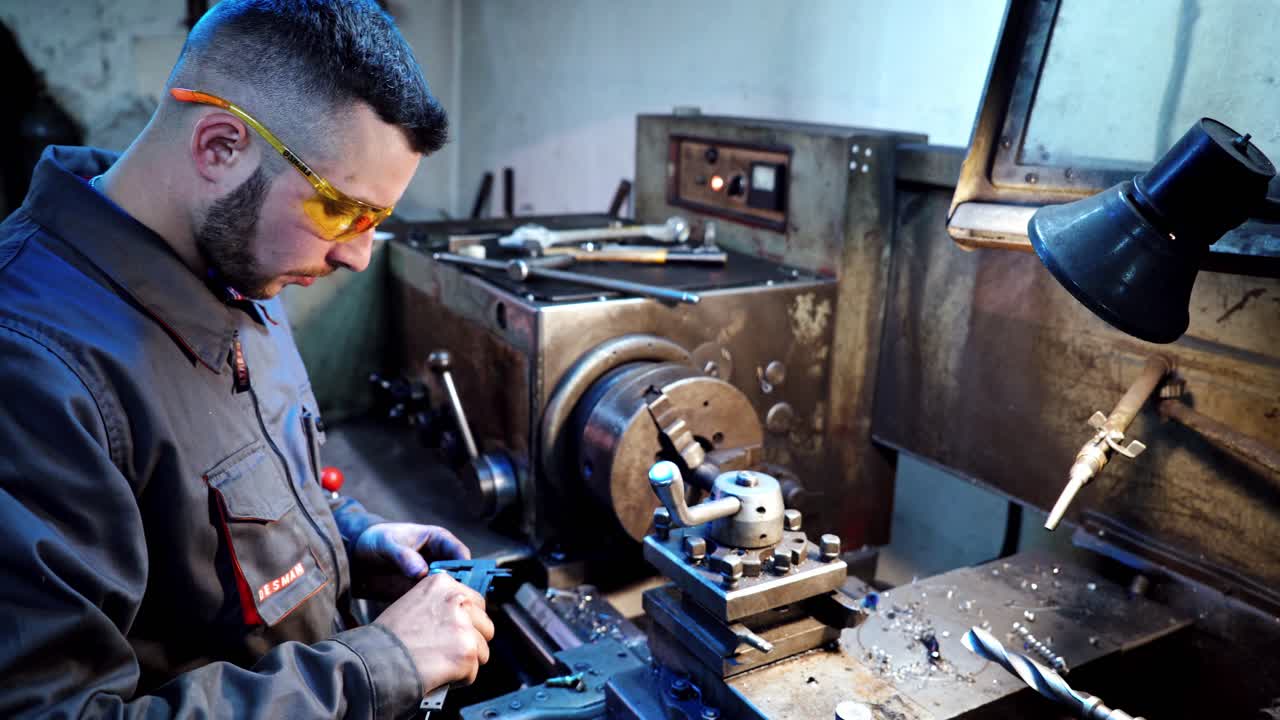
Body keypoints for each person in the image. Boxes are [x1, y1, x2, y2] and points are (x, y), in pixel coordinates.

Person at [0, 1, 494, 717]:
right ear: (221, 146)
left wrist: (351, 541)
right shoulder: (32, 370)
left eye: (377, 221)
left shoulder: (236, 261)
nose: (357, 256)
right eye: (340, 210)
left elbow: (247, 484)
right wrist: (376, 665)